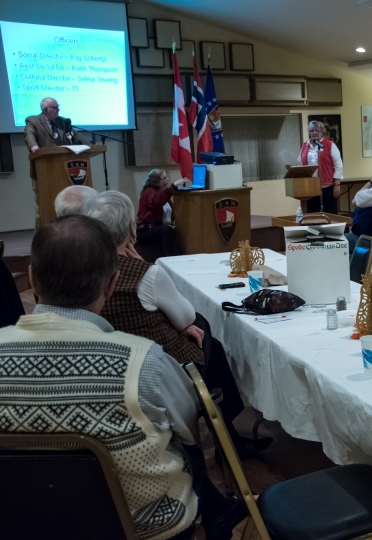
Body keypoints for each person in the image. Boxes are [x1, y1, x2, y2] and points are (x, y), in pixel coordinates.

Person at [0, 215, 248, 540]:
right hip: (140, 528)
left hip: (19, 525)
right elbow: (188, 428)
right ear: (111, 284)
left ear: (32, 279)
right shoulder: (144, 361)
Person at [88, 191, 271, 460]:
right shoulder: (147, 274)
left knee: (204, 333)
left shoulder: (85, 271)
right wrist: (144, 268)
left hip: (111, 362)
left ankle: (228, 436)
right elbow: (185, 317)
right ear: (131, 228)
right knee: (205, 335)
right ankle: (226, 432)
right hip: (160, 366)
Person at [24, 98, 83, 228]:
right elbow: (29, 135)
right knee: (43, 208)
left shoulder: (63, 122)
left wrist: (88, 146)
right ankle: (42, 239)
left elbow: (77, 137)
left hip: (65, 171)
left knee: (68, 205)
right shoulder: (33, 121)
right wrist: (34, 147)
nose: (58, 109)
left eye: (58, 106)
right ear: (46, 110)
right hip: (43, 170)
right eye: (55, 107)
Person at [136, 169, 187, 257]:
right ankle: (176, 259)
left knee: (174, 230)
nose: (167, 179)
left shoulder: (161, 194)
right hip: (145, 230)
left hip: (156, 228)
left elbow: (171, 213)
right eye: (164, 178)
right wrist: (173, 186)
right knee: (166, 230)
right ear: (156, 181)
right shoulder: (148, 192)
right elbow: (157, 201)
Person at [298, 120, 343, 214]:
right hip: (310, 185)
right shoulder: (305, 146)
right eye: (312, 130)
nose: (314, 133)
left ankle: (331, 229)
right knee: (312, 212)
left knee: (329, 211)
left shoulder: (330, 145)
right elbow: (300, 163)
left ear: (322, 132)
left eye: (317, 130)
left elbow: (338, 165)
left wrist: (337, 184)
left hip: (327, 185)